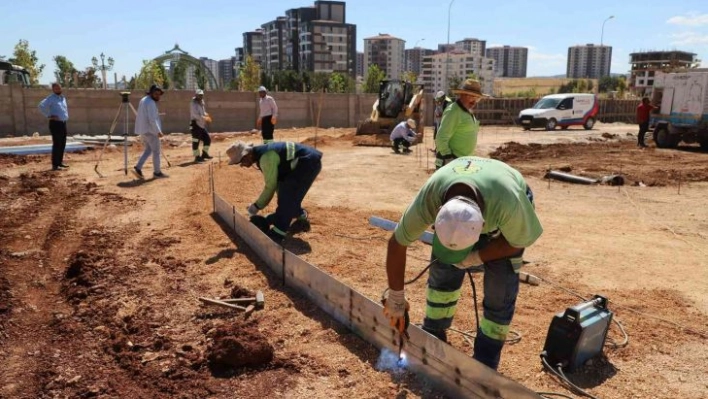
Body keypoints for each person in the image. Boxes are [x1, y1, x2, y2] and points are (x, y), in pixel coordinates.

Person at [383, 156, 543, 370]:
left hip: (504, 210)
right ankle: (434, 331)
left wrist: (477, 257)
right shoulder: (430, 198)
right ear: (437, 215)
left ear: (483, 226)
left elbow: (516, 243)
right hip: (481, 194)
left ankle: (486, 360)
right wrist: (395, 298)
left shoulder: (509, 204)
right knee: (443, 270)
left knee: (500, 288)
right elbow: (396, 243)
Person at [226, 140, 322, 243]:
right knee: (285, 198)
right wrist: (282, 200)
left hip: (307, 163)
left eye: (241, 161)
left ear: (247, 155)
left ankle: (278, 233)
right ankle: (300, 215)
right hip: (303, 163)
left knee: (287, 197)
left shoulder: (266, 158)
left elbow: (270, 186)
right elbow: (277, 184)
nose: (242, 165)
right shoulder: (262, 155)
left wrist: (256, 206)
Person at [435, 79, 487, 169]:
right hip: (452, 161)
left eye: (477, 98)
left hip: (463, 162)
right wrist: (448, 158)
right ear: (462, 95)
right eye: (472, 96)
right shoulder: (454, 111)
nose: (474, 101)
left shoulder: (467, 111)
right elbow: (441, 138)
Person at [132, 84, 167, 179]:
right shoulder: (150, 103)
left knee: (148, 150)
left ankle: (138, 167)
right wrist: (158, 131)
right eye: (156, 94)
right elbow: (152, 119)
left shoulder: (144, 100)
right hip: (151, 131)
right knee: (156, 151)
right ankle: (157, 172)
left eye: (159, 94)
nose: (158, 96)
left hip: (144, 130)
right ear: (151, 93)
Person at [38, 83, 70, 171]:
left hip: (63, 123)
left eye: (59, 88)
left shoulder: (62, 98)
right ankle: (55, 165)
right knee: (57, 144)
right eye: (56, 89)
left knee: (62, 143)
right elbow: (41, 106)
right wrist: (49, 115)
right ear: (53, 90)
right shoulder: (51, 98)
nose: (58, 90)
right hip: (55, 124)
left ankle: (60, 162)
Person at [190, 89, 213, 162]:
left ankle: (204, 154)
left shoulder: (202, 102)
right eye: (199, 95)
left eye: (202, 95)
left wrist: (207, 115)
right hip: (195, 125)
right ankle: (197, 157)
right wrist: (204, 118)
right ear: (196, 95)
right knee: (196, 141)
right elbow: (195, 115)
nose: (201, 96)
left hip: (201, 125)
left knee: (207, 139)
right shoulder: (193, 104)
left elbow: (203, 112)